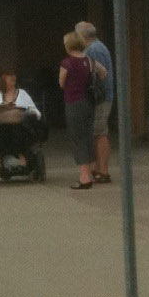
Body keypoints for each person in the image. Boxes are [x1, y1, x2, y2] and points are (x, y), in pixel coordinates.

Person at [0, 72, 41, 180]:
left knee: (17, 129)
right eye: (9, 79)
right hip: (1, 127)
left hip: (18, 125)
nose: (12, 81)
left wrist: (22, 109)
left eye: (13, 79)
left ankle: (22, 160)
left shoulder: (22, 94)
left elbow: (34, 110)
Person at [75, 20, 114, 183]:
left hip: (100, 97)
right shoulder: (98, 47)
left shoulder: (93, 49)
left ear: (82, 35)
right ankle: (99, 168)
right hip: (102, 96)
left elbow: (98, 74)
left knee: (99, 132)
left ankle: (102, 170)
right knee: (99, 132)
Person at [59, 31, 96, 190]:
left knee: (77, 137)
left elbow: (62, 83)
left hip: (73, 102)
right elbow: (102, 74)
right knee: (88, 135)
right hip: (88, 102)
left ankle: (84, 176)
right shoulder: (89, 60)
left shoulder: (67, 63)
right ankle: (91, 170)